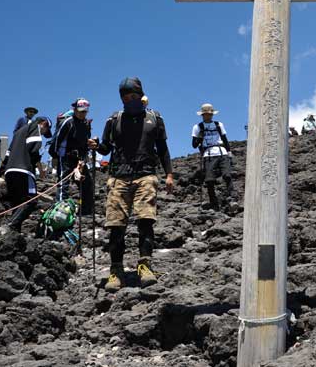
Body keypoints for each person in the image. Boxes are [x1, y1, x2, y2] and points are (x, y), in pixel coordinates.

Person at [93, 77, 173, 292]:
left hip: (146, 175)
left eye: (134, 96)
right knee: (116, 225)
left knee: (146, 221)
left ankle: (145, 267)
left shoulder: (154, 118)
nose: (130, 100)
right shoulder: (114, 120)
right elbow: (104, 149)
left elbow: (163, 148)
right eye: (126, 97)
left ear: (141, 95)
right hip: (119, 176)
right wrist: (94, 145)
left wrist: (169, 174)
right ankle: (116, 271)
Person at [3, 116, 52, 233]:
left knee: (16, 202)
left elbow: (7, 154)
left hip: (9, 170)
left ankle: (13, 232)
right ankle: (10, 225)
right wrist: (40, 169)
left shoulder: (18, 132)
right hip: (24, 170)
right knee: (31, 200)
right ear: (43, 124)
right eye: (46, 130)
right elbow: (34, 148)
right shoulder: (34, 127)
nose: (44, 133)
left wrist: (2, 170)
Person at [49, 98, 95, 215]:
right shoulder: (68, 122)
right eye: (80, 111)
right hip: (65, 157)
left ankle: (86, 211)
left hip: (79, 159)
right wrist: (55, 156)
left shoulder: (86, 125)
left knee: (87, 183)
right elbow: (58, 140)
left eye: (84, 111)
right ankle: (60, 211)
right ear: (74, 110)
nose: (82, 113)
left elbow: (85, 143)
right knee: (63, 182)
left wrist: (84, 158)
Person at [192, 103, 235, 212]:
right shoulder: (197, 127)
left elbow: (224, 138)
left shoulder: (219, 124)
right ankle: (213, 203)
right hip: (208, 155)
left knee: (227, 175)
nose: (208, 116)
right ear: (202, 115)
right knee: (209, 180)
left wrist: (229, 151)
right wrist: (200, 137)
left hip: (222, 152)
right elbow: (194, 145)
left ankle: (232, 198)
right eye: (206, 114)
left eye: (210, 114)